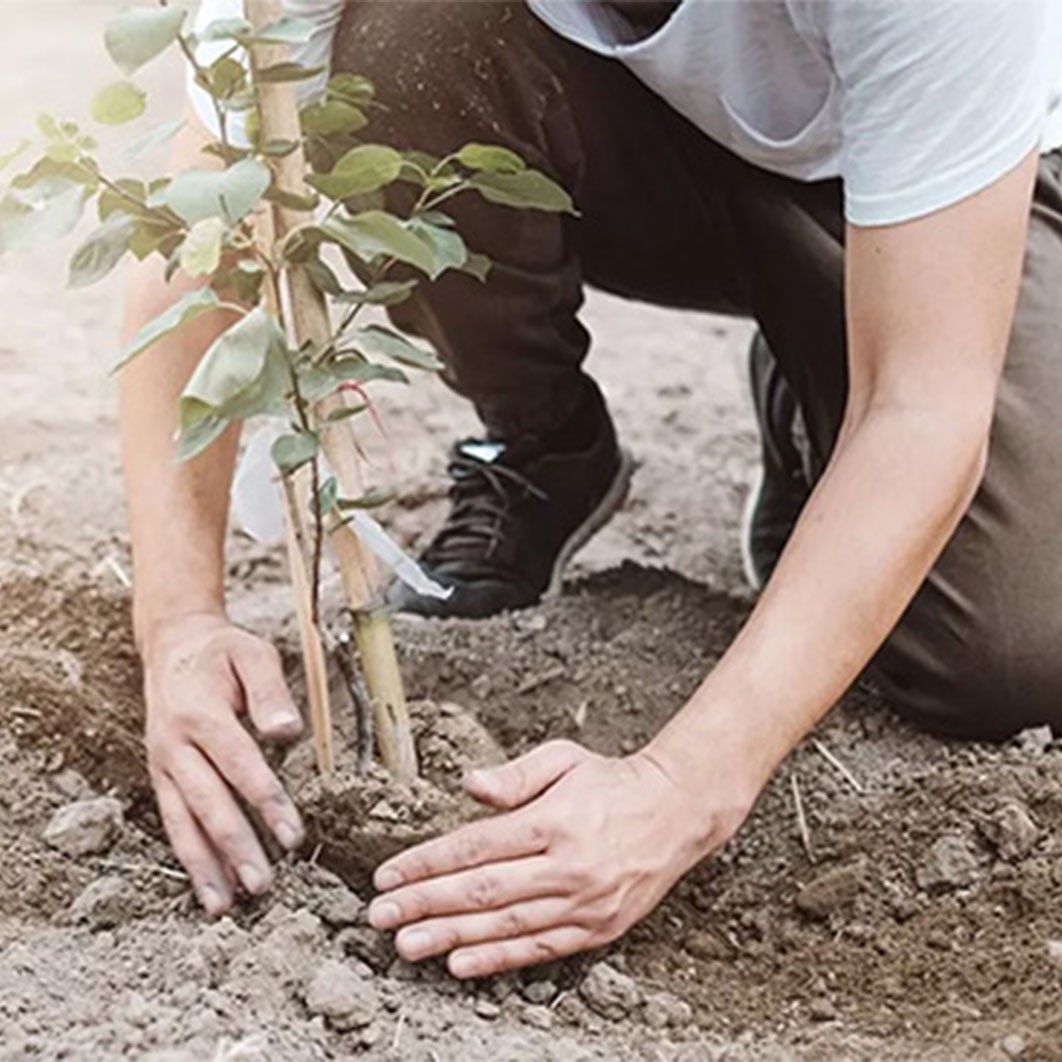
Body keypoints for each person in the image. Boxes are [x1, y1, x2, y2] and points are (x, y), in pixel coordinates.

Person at [123, 0, 1062, 978]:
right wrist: (179, 623)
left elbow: (923, 406)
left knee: (1011, 654)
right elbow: (207, 216)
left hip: (951, 196)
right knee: (406, 41)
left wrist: (677, 789)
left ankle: (819, 383)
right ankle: (544, 443)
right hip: (642, 144)